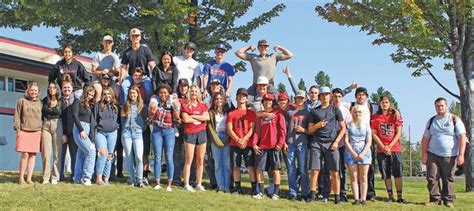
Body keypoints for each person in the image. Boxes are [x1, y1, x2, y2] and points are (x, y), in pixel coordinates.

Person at [421, 97, 467, 208]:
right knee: (432, 177)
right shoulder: (431, 121)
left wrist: (461, 155)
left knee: (448, 178)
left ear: (446, 106)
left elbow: (462, 137)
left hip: (450, 155)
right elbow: (425, 138)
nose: (440, 107)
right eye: (437, 106)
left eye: (442, 105)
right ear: (435, 107)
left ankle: (448, 200)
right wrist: (424, 154)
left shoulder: (454, 119)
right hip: (432, 154)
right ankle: (435, 200)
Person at [307, 86, 346, 204]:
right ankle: (312, 195)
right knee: (315, 170)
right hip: (316, 143)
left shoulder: (335, 110)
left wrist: (336, 142)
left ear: (330, 96)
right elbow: (309, 130)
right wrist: (317, 126)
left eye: (327, 94)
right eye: (322, 95)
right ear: (319, 97)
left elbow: (343, 128)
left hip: (331, 144)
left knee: (334, 171)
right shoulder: (314, 111)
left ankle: (337, 197)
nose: (325, 96)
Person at [251, 93, 286, 200]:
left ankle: (275, 193)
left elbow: (283, 130)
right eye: (265, 100)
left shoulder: (278, 114)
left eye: (269, 100)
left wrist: (280, 143)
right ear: (263, 102)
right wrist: (254, 143)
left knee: (276, 170)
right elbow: (257, 132)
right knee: (259, 169)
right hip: (263, 146)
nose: (267, 102)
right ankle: (261, 192)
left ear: (272, 102)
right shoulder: (260, 116)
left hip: (274, 146)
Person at [371, 96, 405, 203]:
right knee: (386, 174)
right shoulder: (375, 117)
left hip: (395, 149)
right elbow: (374, 134)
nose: (384, 104)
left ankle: (399, 196)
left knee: (398, 173)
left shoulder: (395, 115)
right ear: (380, 104)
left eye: (386, 102)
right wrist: (383, 146)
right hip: (382, 150)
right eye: (382, 102)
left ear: (390, 103)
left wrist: (390, 146)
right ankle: (390, 196)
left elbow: (399, 132)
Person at [149, 84, 181, 192]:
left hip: (169, 131)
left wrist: (176, 107)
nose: (163, 94)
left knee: (169, 157)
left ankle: (169, 184)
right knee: (157, 156)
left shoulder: (172, 103)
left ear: (168, 94)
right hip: (157, 131)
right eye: (161, 92)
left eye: (165, 93)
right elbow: (150, 117)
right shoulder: (155, 103)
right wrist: (152, 112)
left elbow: (177, 118)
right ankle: (157, 182)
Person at [227, 88, 257, 195]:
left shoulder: (251, 113)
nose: (241, 97)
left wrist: (244, 139)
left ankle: (254, 189)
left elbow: (252, 128)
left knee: (250, 167)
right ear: (236, 97)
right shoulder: (231, 113)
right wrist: (238, 140)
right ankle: (238, 188)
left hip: (247, 143)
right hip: (235, 144)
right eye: (239, 95)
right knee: (236, 166)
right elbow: (229, 129)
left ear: (246, 98)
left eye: (244, 96)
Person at [181, 85, 209, 192]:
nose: (193, 93)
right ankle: (187, 184)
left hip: (201, 133)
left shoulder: (203, 105)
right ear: (189, 92)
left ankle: (199, 183)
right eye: (192, 91)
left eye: (195, 91)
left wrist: (193, 116)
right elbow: (186, 119)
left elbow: (206, 117)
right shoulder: (185, 105)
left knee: (200, 160)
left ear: (199, 93)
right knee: (189, 160)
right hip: (190, 133)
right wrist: (197, 117)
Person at [351, 87, 378, 201]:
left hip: (367, 140)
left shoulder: (373, 106)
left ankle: (370, 193)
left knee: (369, 168)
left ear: (367, 96)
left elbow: (387, 108)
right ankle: (358, 194)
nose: (360, 96)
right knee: (355, 170)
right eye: (358, 94)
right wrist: (349, 88)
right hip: (354, 140)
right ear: (355, 96)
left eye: (363, 94)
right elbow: (337, 99)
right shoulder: (351, 106)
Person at [283, 90, 310, 201]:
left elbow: (311, 130)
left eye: (302, 98)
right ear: (295, 98)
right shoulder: (289, 112)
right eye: (298, 97)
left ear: (305, 99)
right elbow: (283, 129)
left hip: (302, 144)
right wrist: (284, 142)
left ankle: (304, 193)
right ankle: (293, 193)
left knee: (303, 170)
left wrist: (303, 130)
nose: (299, 99)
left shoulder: (308, 113)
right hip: (290, 144)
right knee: (291, 170)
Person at [13, 82, 42, 184]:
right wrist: (17, 129)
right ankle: (21, 178)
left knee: (33, 155)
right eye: (32, 90)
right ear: (28, 90)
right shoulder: (21, 101)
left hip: (36, 131)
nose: (33, 92)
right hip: (24, 130)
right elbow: (17, 115)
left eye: (35, 91)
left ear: (38, 92)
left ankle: (29, 179)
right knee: (24, 154)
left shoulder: (40, 103)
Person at [119, 28, 156, 105]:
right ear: (130, 37)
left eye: (137, 36)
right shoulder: (127, 52)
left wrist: (155, 77)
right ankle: (126, 108)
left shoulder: (146, 49)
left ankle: (146, 108)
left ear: (140, 37)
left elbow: (152, 64)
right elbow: (124, 67)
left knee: (148, 88)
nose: (135, 37)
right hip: (131, 76)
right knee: (123, 86)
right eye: (133, 36)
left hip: (144, 76)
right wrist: (121, 79)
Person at [344, 104, 372, 205]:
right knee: (353, 177)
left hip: (364, 152)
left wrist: (362, 153)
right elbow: (346, 141)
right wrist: (353, 153)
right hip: (351, 152)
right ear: (352, 113)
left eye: (359, 112)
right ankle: (356, 198)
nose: (357, 114)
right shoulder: (348, 125)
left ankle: (363, 198)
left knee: (363, 177)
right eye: (355, 112)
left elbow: (369, 141)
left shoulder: (366, 125)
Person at [121, 85, 148, 188]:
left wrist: (140, 128)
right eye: (131, 93)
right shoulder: (125, 105)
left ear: (137, 94)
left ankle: (139, 180)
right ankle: (132, 179)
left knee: (139, 156)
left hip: (137, 132)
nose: (132, 95)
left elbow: (146, 121)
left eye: (134, 93)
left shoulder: (142, 106)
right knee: (129, 156)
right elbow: (122, 120)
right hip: (126, 132)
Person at [72, 85, 97, 186]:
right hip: (79, 128)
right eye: (89, 94)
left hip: (87, 128)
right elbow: (74, 115)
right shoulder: (77, 101)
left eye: (92, 95)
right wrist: (81, 130)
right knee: (91, 151)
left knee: (81, 154)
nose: (91, 96)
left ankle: (77, 178)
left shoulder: (90, 105)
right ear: (85, 93)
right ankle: (86, 177)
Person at [94, 87, 120, 186]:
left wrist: (117, 127)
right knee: (103, 154)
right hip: (101, 132)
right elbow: (94, 120)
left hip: (113, 132)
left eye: (109, 94)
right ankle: (98, 178)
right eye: (105, 94)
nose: (107, 96)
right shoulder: (98, 105)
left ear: (112, 95)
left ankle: (106, 179)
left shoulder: (116, 106)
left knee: (109, 156)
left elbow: (119, 119)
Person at [207, 92, 232, 193]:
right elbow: (210, 127)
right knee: (218, 164)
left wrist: (228, 138)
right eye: (217, 99)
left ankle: (227, 186)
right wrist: (216, 140)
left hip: (226, 136)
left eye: (221, 99)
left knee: (227, 164)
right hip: (216, 136)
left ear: (224, 100)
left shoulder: (228, 111)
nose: (219, 101)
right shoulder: (211, 112)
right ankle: (220, 186)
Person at [332, 88, 352, 202]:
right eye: (335, 96)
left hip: (342, 144)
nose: (337, 98)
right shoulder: (328, 109)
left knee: (342, 169)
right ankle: (325, 191)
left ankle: (343, 192)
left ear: (342, 98)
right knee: (330, 169)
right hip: (330, 143)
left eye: (339, 96)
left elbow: (348, 127)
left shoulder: (345, 111)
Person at [41, 82, 62, 185]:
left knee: (56, 153)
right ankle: (45, 177)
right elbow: (41, 114)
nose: (52, 89)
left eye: (54, 87)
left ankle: (55, 176)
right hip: (46, 126)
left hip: (57, 125)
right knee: (46, 153)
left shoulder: (61, 101)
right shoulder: (45, 100)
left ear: (57, 89)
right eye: (50, 87)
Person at [58, 75, 78, 181]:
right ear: (61, 89)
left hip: (73, 131)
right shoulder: (59, 101)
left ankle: (74, 175)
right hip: (62, 131)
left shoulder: (76, 101)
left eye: (68, 88)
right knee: (61, 154)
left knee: (74, 154)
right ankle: (59, 175)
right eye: (64, 88)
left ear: (72, 89)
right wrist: (63, 133)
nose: (66, 89)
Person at [91, 35, 121, 101]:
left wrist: (110, 71)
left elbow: (118, 73)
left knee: (118, 92)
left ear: (112, 43)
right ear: (103, 43)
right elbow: (93, 71)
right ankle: (96, 110)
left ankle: (117, 109)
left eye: (109, 42)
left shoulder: (115, 57)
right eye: (106, 42)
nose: (107, 44)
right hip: (98, 79)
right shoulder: (98, 55)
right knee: (99, 92)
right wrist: (101, 72)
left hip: (110, 79)